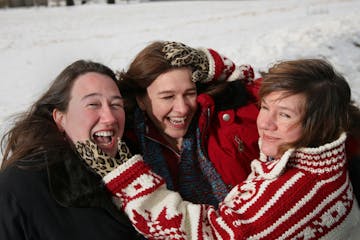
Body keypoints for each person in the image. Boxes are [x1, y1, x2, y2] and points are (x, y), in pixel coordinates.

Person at [76, 58, 360, 239]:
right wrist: (212, 64)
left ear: (319, 123)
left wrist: (124, 175)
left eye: (284, 115)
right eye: (265, 108)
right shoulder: (320, 157)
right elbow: (277, 89)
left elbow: (201, 235)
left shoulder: (294, 193)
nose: (266, 123)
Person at [0, 60, 142, 239]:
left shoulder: (137, 174)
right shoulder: (20, 187)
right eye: (93, 104)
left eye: (116, 105)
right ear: (60, 118)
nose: (110, 117)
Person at [117, 41, 260, 206]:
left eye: (189, 93)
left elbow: (281, 97)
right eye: (168, 97)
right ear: (141, 100)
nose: (183, 109)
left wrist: (215, 66)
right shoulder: (127, 146)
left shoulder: (222, 119)